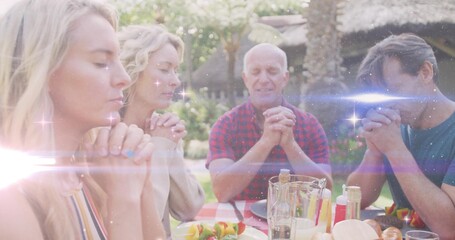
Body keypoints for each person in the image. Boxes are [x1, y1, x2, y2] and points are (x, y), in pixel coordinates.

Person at [0, 0, 165, 239]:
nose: (124, 78)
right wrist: (124, 202)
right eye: (101, 63)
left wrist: (141, 185)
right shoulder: (10, 201)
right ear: (41, 72)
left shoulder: (90, 173)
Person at [347, 33, 455, 239]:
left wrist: (396, 150)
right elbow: (356, 201)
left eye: (393, 90)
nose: (387, 104)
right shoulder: (398, 126)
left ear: (425, 72)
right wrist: (374, 152)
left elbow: (449, 228)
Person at [207, 43, 332, 202]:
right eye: (255, 72)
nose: (264, 79)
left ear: (285, 78)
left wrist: (290, 145)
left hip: (294, 221)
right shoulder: (225, 125)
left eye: (272, 71)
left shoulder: (310, 125)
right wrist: (265, 142)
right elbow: (221, 192)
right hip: (240, 224)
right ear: (246, 79)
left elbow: (326, 191)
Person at [118, 24, 205, 236]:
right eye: (164, 69)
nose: (175, 81)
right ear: (132, 70)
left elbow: (188, 208)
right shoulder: (110, 137)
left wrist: (168, 147)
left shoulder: (161, 130)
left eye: (176, 71)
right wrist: (159, 148)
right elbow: (143, 229)